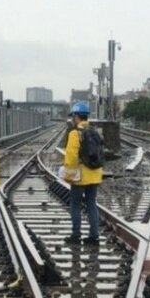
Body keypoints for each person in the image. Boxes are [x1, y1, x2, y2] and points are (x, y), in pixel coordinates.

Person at [63, 101, 103, 245]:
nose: (73, 119)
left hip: (80, 176)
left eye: (73, 116)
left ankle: (76, 235)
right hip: (95, 174)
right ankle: (94, 236)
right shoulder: (95, 131)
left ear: (76, 116)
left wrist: (68, 175)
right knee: (92, 203)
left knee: (75, 204)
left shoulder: (75, 133)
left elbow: (71, 156)